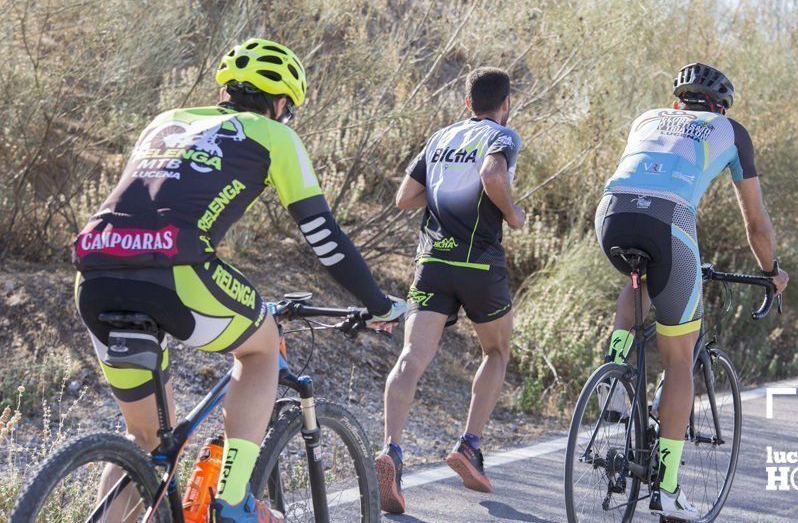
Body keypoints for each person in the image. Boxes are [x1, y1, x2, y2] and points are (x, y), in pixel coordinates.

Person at [72, 38, 405, 523]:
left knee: (144, 445)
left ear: (225, 88)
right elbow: (325, 239)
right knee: (261, 347)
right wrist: (377, 304)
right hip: (176, 274)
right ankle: (231, 501)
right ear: (281, 103)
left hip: (94, 276)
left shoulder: (165, 122)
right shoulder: (273, 134)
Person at [594, 63, 789, 520]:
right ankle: (666, 488)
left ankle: (614, 381)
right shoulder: (729, 131)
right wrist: (772, 271)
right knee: (680, 359)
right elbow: (757, 224)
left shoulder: (647, 118)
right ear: (720, 105)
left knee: (637, 280)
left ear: (677, 101)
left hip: (612, 214)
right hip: (670, 224)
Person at [374, 67, 525, 514]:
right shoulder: (503, 134)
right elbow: (493, 174)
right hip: (479, 262)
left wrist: (443, 199)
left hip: (433, 261)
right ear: (505, 104)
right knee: (496, 352)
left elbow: (405, 196)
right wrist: (513, 213)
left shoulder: (441, 137)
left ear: (465, 102)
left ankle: (392, 452)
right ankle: (469, 445)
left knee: (411, 358)